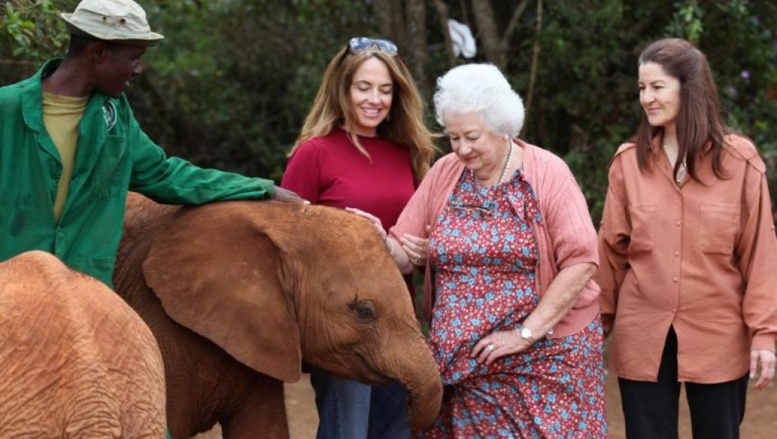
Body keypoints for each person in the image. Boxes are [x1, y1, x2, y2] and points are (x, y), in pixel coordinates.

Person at [356, 63, 607, 438]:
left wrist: (525, 334)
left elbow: (581, 262)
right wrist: (379, 243)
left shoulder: (547, 174)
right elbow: (405, 253)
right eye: (453, 137)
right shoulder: (445, 173)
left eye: (472, 136)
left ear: (501, 126)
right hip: (462, 364)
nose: (461, 149)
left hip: (542, 360)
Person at [0, 0, 298, 289]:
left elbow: (164, 175)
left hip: (85, 295)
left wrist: (260, 188)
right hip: (10, 289)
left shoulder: (115, 117)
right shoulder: (8, 108)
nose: (139, 69)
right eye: (134, 57)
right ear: (99, 52)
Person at [595, 38, 777, 439]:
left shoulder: (740, 162)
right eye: (642, 88)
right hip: (643, 334)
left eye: (657, 87)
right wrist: (594, 329)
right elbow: (609, 255)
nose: (647, 98)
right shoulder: (629, 164)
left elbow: (761, 254)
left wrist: (765, 334)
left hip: (719, 336)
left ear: (688, 87)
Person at [279, 37, 436, 439]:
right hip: (342, 325)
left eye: (385, 90)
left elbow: (419, 235)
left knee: (395, 434)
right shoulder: (313, 153)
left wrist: (418, 250)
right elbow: (287, 244)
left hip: (399, 321)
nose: (375, 100)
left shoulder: (409, 152)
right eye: (363, 87)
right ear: (342, 89)